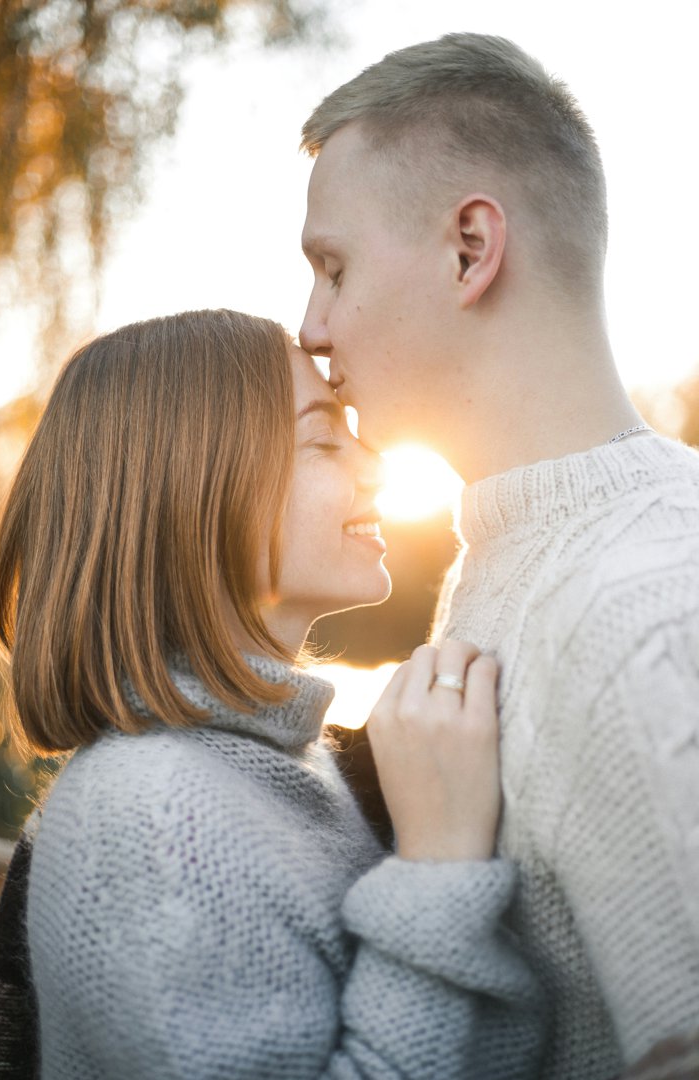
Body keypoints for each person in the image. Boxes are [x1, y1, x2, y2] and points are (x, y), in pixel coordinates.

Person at [0, 308, 544, 1079]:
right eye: (323, 438)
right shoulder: (153, 818)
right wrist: (440, 865)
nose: (373, 462)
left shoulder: (275, 765)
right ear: (192, 490)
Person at [298, 32, 699, 1080]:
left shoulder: (643, 611)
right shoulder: (524, 556)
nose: (311, 328)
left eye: (332, 268)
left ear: (471, 247)